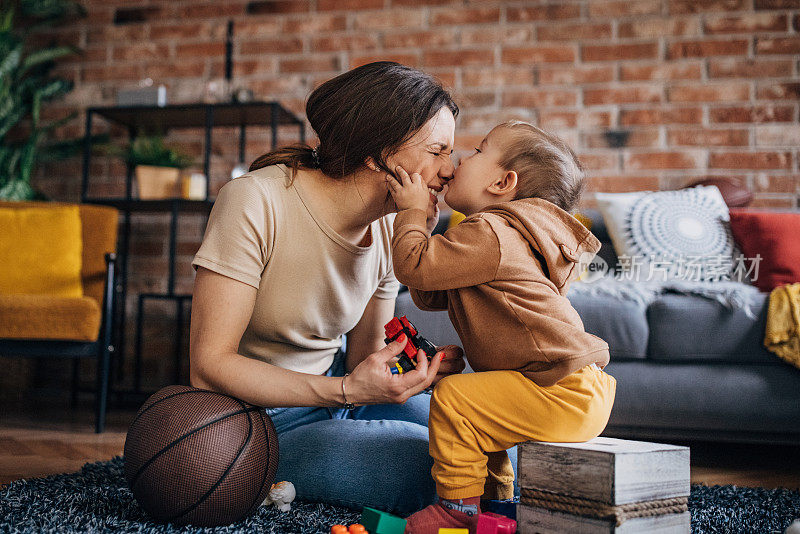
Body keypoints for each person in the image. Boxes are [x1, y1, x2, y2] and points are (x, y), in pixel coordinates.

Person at [188, 62, 485, 516]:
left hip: (340, 397)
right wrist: (347, 390)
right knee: (432, 467)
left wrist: (408, 375)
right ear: (376, 153)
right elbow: (208, 367)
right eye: (438, 152)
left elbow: (366, 356)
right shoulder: (255, 201)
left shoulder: (390, 227)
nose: (449, 171)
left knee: (493, 445)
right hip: (257, 422)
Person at [385, 121, 617, 532]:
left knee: (457, 399)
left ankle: (457, 510)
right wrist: (425, 225)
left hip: (560, 388)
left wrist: (410, 215)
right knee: (480, 416)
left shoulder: (491, 232)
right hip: (572, 388)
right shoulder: (499, 236)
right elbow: (430, 287)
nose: (458, 158)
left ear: (502, 182)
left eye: (477, 151)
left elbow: (413, 266)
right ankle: (496, 504)